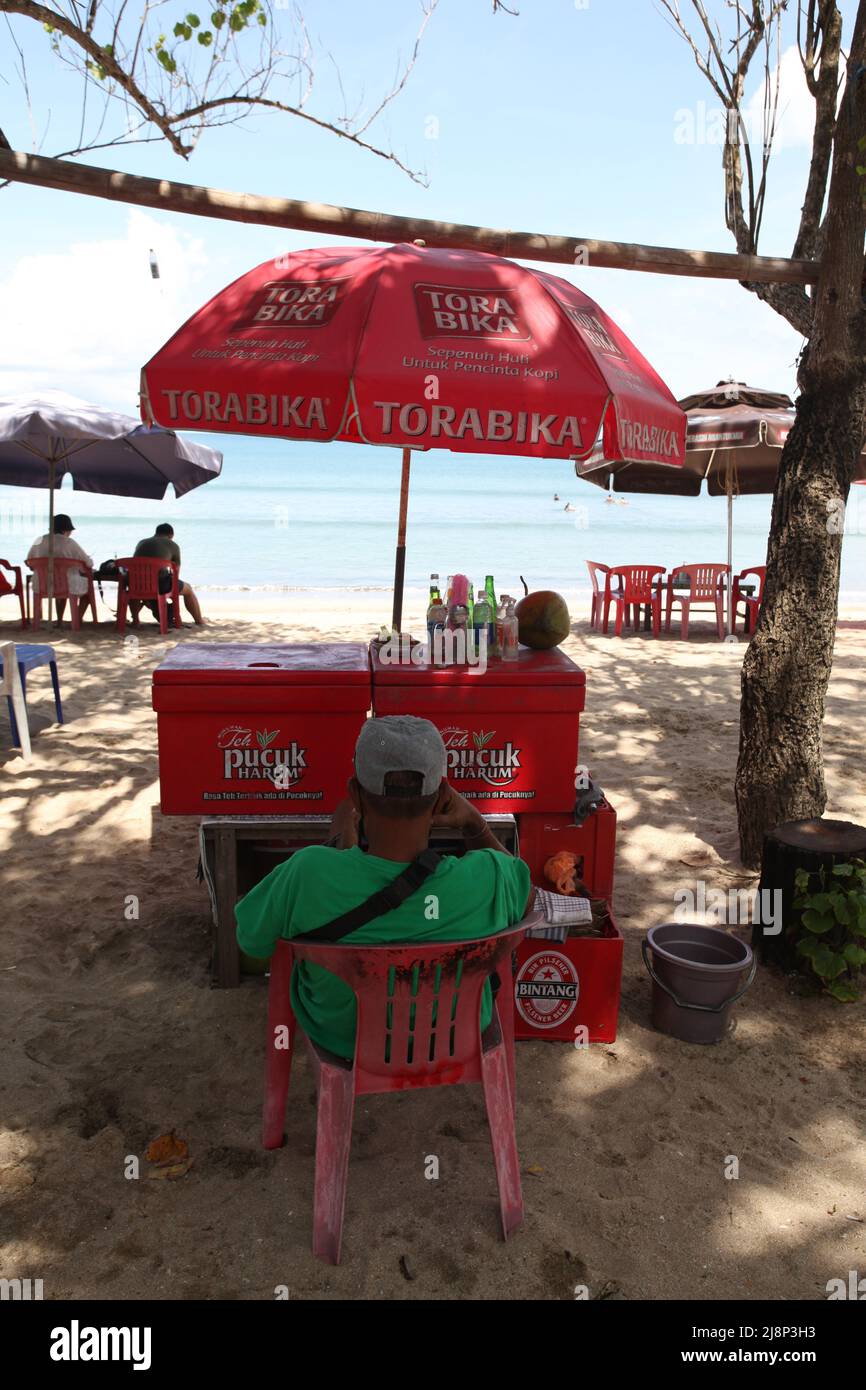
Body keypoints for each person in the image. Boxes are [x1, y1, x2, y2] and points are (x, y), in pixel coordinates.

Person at [235, 715, 533, 1061]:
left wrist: (337, 850)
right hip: (456, 1036)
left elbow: (251, 941)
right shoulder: (488, 875)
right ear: (442, 800)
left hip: (345, 1040)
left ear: (354, 796)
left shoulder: (307, 872)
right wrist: (475, 823)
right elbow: (528, 900)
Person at [131, 523, 205, 626]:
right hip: (160, 586)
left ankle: (135, 620)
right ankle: (199, 621)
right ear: (171, 535)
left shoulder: (141, 542)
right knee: (188, 590)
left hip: (137, 584)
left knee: (139, 590)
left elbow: (134, 563)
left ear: (156, 533)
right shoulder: (173, 545)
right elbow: (176, 571)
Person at [27, 514, 94, 623]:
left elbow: (29, 562)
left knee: (60, 581)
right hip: (67, 585)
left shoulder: (39, 540)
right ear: (66, 529)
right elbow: (88, 564)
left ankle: (59, 620)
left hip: (42, 585)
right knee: (87, 591)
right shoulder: (70, 543)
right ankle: (77, 619)